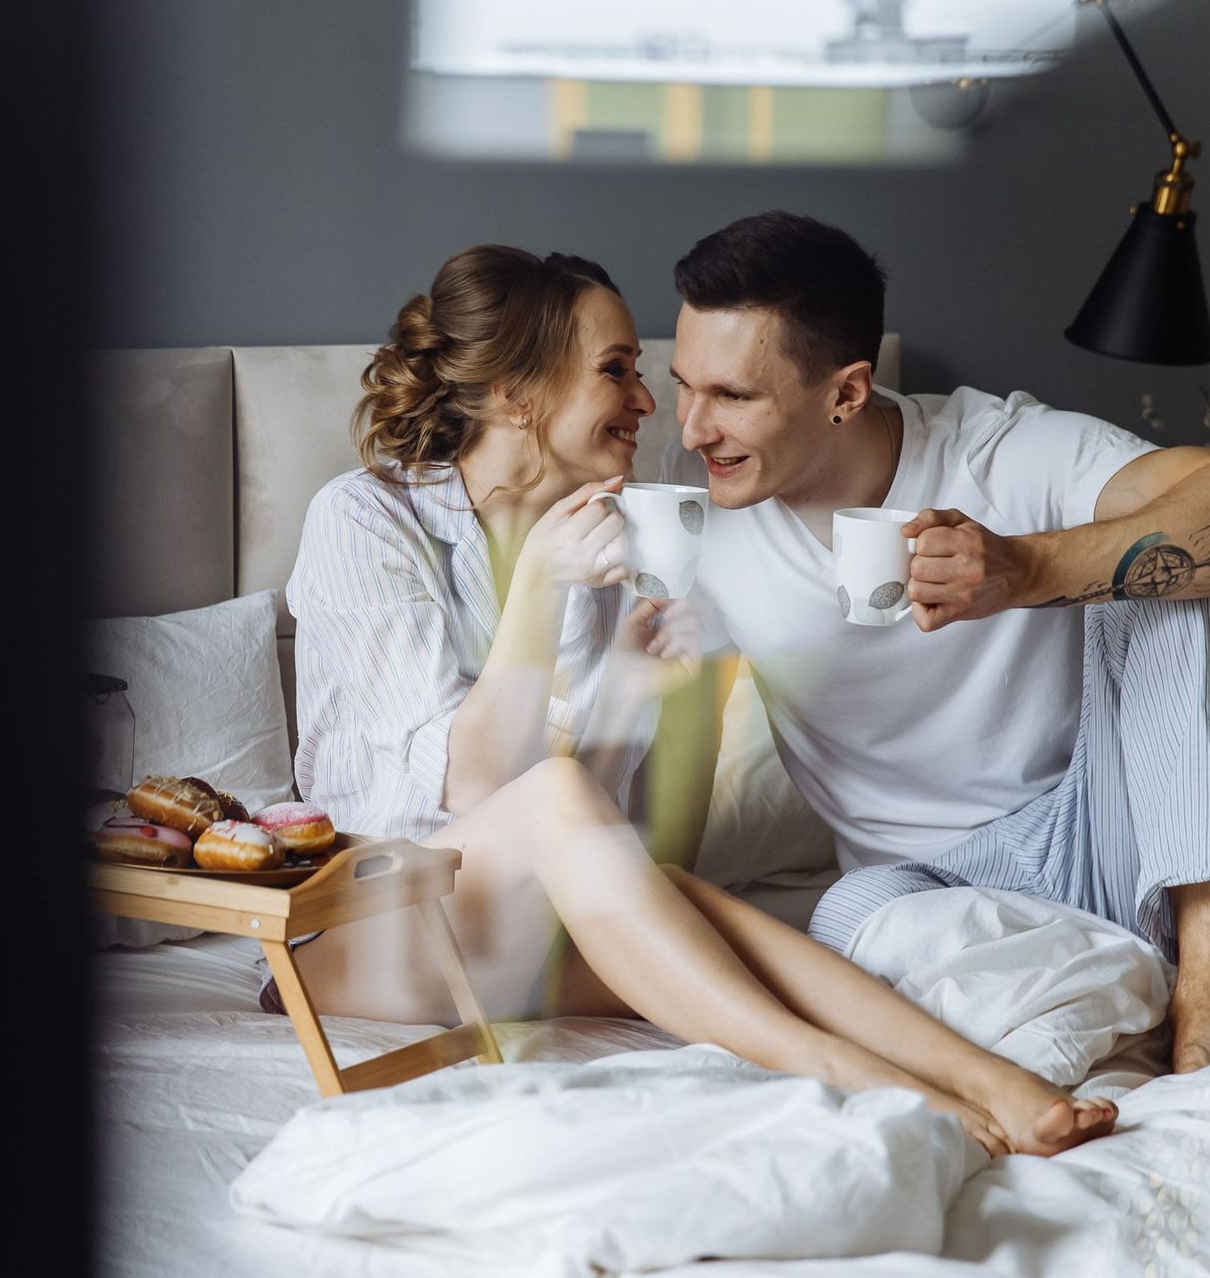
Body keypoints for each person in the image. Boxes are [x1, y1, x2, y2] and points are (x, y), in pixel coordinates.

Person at [282, 243, 1117, 1157]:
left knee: (696, 909)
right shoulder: (364, 520)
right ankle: (851, 1075)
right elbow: (480, 790)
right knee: (570, 813)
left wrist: (630, 695)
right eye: (617, 370)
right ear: (517, 396)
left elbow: (603, 832)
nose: (651, 405)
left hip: (515, 926)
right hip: (363, 933)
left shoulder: (617, 544)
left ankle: (987, 1078)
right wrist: (540, 591)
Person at [663, 210, 1210, 1073]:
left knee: (1188, 563)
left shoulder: (999, 451)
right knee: (840, 918)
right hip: (926, 891)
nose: (693, 428)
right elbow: (677, 740)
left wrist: (1028, 568)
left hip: (1101, 837)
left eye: (732, 397)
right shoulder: (687, 510)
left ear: (847, 393)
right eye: (683, 386)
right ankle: (1108, 993)